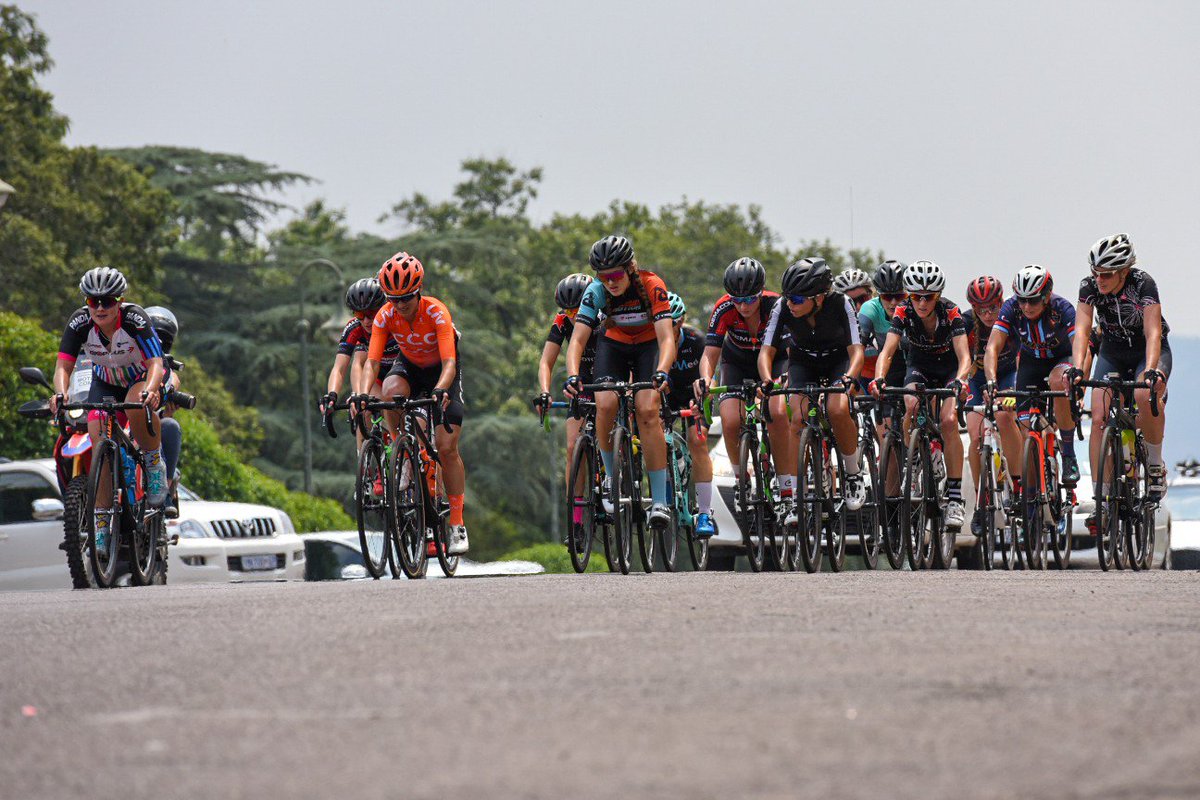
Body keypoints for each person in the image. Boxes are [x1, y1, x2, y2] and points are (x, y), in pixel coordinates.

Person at [50, 267, 168, 556]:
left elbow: (156, 363)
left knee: (137, 398)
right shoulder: (79, 324)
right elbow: (63, 367)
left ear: (120, 301)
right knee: (98, 438)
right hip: (104, 382)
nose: (100, 307)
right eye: (93, 302)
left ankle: (154, 463)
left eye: (108, 301)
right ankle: (101, 523)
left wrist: (152, 389)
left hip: (141, 378)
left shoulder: (135, 319)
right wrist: (61, 393)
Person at [360, 252, 470, 554]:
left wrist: (441, 389)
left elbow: (449, 361)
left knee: (447, 448)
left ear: (418, 291)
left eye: (406, 298)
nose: (399, 305)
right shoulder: (385, 315)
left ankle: (457, 523)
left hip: (442, 373)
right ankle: (402, 449)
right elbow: (371, 363)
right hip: (408, 368)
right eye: (393, 299)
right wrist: (359, 393)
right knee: (390, 391)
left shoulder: (436, 312)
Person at [564, 235, 676, 528]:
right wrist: (573, 374)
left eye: (615, 275)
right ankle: (611, 478)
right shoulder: (596, 291)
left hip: (648, 347)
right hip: (613, 346)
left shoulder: (652, 286)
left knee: (648, 412)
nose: (610, 282)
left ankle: (660, 502)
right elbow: (577, 340)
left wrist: (662, 370)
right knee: (605, 402)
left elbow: (666, 338)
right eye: (603, 276)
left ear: (629, 269)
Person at [762, 257, 867, 514]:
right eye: (788, 298)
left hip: (838, 361)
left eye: (797, 300)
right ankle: (800, 489)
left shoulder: (841, 303)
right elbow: (766, 351)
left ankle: (852, 473)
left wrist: (850, 377)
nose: (790, 304)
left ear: (819, 297)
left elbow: (856, 351)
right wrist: (767, 379)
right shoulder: (782, 306)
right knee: (797, 419)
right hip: (802, 362)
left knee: (838, 409)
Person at [871, 260, 971, 529]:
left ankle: (954, 498)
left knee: (949, 421)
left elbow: (964, 356)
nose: (922, 303)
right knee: (911, 403)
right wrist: (879, 378)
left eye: (928, 297)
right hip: (920, 367)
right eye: (916, 296)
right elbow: (888, 351)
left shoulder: (951, 312)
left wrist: (961, 381)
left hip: (949, 369)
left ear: (937, 296)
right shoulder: (903, 311)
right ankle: (912, 458)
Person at [1069, 233, 1170, 496]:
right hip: (1112, 350)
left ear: (1124, 271)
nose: (1099, 279)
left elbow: (1152, 332)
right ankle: (1101, 496)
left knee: (1144, 393)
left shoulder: (1143, 284)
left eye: (1107, 274)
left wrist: (1150, 369)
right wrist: (1078, 368)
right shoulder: (1088, 286)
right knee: (1100, 415)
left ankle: (1155, 465)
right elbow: (1081, 331)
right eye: (1096, 273)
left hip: (1145, 350)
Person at [700, 257, 793, 523]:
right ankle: (742, 480)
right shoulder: (724, 308)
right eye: (736, 299)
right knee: (730, 420)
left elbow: (791, 352)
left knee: (776, 412)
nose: (742, 306)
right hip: (737, 362)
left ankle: (786, 488)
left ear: (761, 293)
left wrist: (784, 379)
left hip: (775, 361)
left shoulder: (777, 306)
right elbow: (710, 354)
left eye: (750, 299)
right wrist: (707, 380)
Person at [986, 265, 1079, 485]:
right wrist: (991, 380)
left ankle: (1068, 454)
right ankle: (1036, 493)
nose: (1027, 306)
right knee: (1027, 430)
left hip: (1061, 359)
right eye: (1022, 300)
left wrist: (1077, 375)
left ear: (1046, 297)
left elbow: (1079, 346)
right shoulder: (1010, 308)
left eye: (1034, 300)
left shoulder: (1062, 308)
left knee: (1059, 380)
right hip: (1031, 363)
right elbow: (992, 348)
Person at [535, 273, 597, 542]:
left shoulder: (603, 316)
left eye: (577, 309)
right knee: (573, 447)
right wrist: (545, 392)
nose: (572, 315)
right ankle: (576, 522)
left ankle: (619, 478)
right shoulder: (562, 322)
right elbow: (546, 362)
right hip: (581, 382)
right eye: (567, 310)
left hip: (608, 375)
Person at [961, 276, 1022, 529]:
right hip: (978, 378)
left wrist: (1012, 393)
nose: (987, 314)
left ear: (1001, 302)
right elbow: (961, 358)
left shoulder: (1012, 317)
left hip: (1009, 373)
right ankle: (980, 499)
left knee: (1005, 417)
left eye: (992, 308)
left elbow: (1023, 357)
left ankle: (1018, 486)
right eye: (981, 309)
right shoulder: (965, 323)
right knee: (975, 437)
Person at [320, 278, 395, 448]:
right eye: (359, 315)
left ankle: (402, 451)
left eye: (371, 314)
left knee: (395, 408)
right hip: (376, 376)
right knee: (364, 409)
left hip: (401, 374)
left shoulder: (394, 322)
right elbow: (342, 367)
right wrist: (332, 395)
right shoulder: (355, 328)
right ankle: (365, 461)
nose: (367, 321)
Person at [664, 292, 715, 536]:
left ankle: (705, 513)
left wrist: (704, 396)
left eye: (672, 324)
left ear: (681, 322)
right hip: (667, 395)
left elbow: (710, 377)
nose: (667, 329)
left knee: (698, 441)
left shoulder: (696, 340)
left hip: (695, 395)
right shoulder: (653, 342)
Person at [858, 260, 908, 434]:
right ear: (878, 295)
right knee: (886, 429)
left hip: (915, 363)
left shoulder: (916, 307)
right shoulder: (869, 308)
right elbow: (858, 345)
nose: (893, 302)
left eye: (900, 296)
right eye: (887, 296)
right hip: (889, 365)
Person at [144, 306, 184, 518]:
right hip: (116, 420)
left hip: (145, 425)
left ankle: (163, 490)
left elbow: (173, 381)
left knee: (168, 425)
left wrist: (167, 408)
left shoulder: (165, 368)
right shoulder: (121, 358)